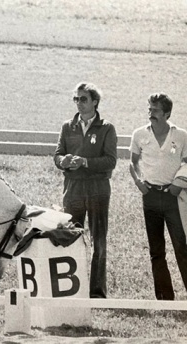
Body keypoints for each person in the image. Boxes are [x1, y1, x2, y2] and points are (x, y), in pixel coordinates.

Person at [54, 82, 117, 299]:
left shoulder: (107, 128)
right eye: (76, 99)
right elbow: (57, 155)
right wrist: (64, 161)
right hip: (72, 189)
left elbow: (110, 161)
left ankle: (97, 293)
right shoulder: (67, 126)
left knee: (98, 241)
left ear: (95, 102)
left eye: (83, 99)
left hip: (98, 189)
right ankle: (74, 289)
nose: (79, 103)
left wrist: (85, 162)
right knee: (71, 237)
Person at [129, 92, 187, 300]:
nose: (150, 113)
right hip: (150, 197)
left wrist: (178, 185)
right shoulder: (139, 134)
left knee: (182, 246)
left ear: (167, 113)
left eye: (155, 110)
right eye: (149, 109)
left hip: (174, 198)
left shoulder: (181, 135)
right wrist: (139, 183)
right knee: (156, 250)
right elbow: (133, 162)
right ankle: (164, 298)